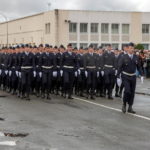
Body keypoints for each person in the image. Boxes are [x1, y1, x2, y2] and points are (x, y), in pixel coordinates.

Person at [117, 42, 143, 114]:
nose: (132, 49)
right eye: (131, 48)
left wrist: (141, 75)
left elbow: (139, 67)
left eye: (133, 48)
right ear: (127, 48)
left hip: (133, 76)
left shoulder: (136, 57)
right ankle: (124, 104)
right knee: (127, 91)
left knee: (132, 92)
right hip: (125, 76)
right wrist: (118, 77)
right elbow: (119, 67)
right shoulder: (123, 57)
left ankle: (130, 107)